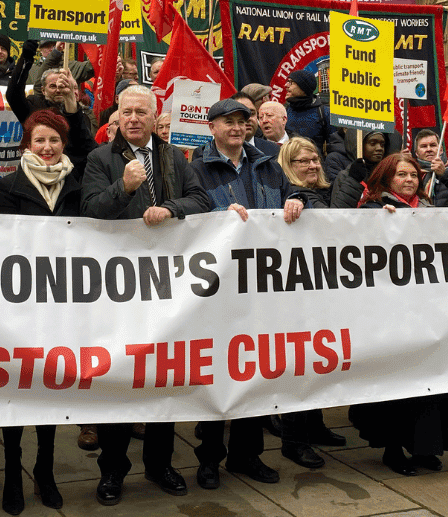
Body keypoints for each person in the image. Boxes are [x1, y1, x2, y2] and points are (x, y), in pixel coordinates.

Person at [81, 84, 210, 506]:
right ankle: (113, 470)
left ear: (155, 117)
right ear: (116, 116)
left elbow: (201, 199)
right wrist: (125, 187)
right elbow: (90, 211)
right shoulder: (102, 159)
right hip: (120, 288)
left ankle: (160, 463)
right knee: (120, 379)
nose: (133, 118)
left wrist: (172, 210)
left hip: (167, 286)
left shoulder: (174, 158)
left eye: (141, 111)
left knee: (164, 378)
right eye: (127, 111)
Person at [191, 98, 302, 484]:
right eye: (229, 122)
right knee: (217, 377)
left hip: (262, 289)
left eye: (243, 121)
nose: (238, 128)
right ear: (213, 128)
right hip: (218, 291)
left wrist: (296, 199)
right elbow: (190, 211)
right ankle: (208, 459)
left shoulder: (268, 165)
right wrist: (215, 218)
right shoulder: (198, 168)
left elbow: (300, 196)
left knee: (256, 375)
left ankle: (246, 455)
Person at [0, 109, 79, 514]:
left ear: (64, 145)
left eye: (55, 141)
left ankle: (44, 468)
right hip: (19, 305)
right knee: (17, 390)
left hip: (63, 302)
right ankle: (12, 470)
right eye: (40, 140)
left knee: (50, 388)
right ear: (27, 144)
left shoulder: (77, 186)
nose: (47, 148)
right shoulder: (6, 187)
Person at [350, 154, 448, 475]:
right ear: (386, 179)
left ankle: (426, 447)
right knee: (396, 381)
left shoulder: (428, 210)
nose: (410, 179)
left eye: (413, 174)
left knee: (428, 381)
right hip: (389, 314)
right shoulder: (371, 209)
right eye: (401, 175)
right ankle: (393, 448)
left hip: (427, 312)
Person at [283, 70, 343, 158]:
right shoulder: (284, 111)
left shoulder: (324, 113)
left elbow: (335, 147)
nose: (286, 85)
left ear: (303, 88)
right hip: (287, 166)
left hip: (313, 166)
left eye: (291, 82)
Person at [330, 131, 397, 209]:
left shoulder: (388, 176)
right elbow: (336, 212)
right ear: (358, 145)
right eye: (372, 143)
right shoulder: (345, 176)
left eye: (382, 144)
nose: (379, 148)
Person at [278, 137, 331, 207]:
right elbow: (330, 217)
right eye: (304, 161)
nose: (313, 166)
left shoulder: (324, 191)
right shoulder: (296, 196)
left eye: (315, 159)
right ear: (288, 165)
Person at [412, 128, 448, 206]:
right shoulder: (413, 174)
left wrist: (444, 174)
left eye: (433, 145)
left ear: (441, 149)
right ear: (416, 153)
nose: (429, 149)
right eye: (424, 146)